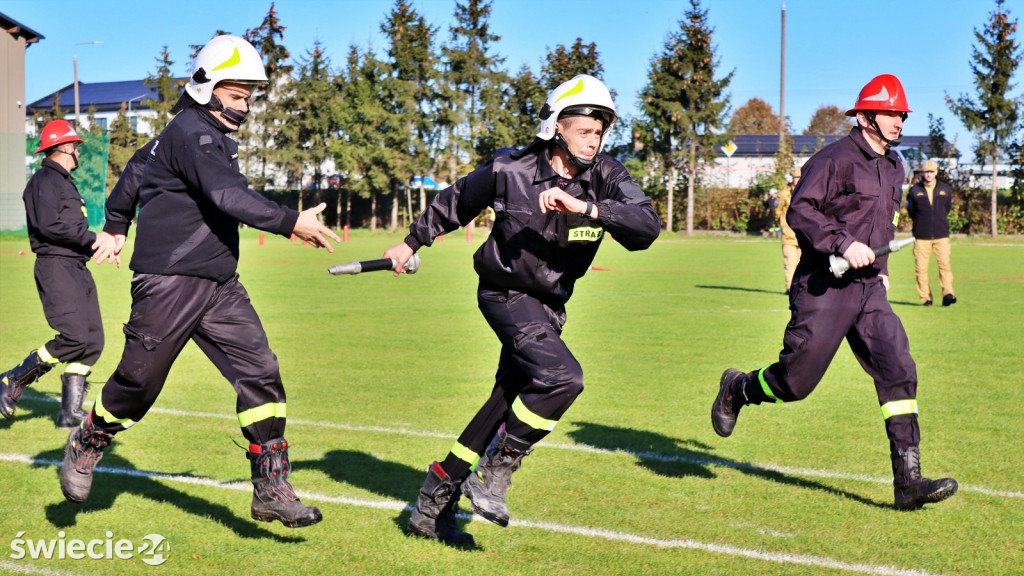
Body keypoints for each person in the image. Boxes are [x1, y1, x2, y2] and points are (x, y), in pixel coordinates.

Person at [58, 35, 341, 529]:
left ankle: (270, 487)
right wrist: (289, 221)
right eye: (238, 95)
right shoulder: (194, 133)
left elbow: (136, 169)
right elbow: (229, 195)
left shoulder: (184, 133)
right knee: (137, 384)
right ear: (208, 88)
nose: (246, 106)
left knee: (261, 375)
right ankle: (90, 437)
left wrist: (118, 224)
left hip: (220, 285)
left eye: (250, 96)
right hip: (169, 281)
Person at [384, 74, 661, 545]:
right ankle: (493, 470)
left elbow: (647, 226)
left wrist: (588, 209)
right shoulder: (508, 168)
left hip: (551, 306)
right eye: (585, 131)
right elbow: (454, 203)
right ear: (557, 127)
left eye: (600, 132)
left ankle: (432, 503)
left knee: (499, 405)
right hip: (504, 294)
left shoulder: (609, 176)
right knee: (562, 378)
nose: (594, 142)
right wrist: (411, 243)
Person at [711, 74, 958, 511]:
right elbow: (800, 210)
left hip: (868, 291)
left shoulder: (895, 165)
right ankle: (739, 388)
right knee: (796, 382)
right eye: (891, 112)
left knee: (899, 366)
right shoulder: (834, 159)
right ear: (865, 117)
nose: (899, 119)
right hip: (823, 286)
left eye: (902, 113)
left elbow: (880, 224)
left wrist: (879, 270)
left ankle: (908, 483)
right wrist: (842, 243)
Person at [1, 119, 106, 429]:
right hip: (55, 266)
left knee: (93, 341)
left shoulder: (64, 182)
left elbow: (70, 227)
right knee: (73, 337)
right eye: (74, 146)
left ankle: (69, 412)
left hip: (76, 267)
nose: (77, 152)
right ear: (61, 147)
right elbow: (50, 226)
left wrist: (95, 246)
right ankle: (12, 379)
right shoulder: (45, 181)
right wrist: (92, 238)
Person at [905, 160, 956, 307]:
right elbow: (911, 212)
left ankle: (948, 294)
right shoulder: (914, 191)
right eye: (926, 172)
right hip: (921, 236)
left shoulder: (945, 189)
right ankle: (926, 298)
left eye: (931, 172)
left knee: (945, 266)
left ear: (936, 172)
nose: (929, 175)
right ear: (922, 173)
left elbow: (947, 208)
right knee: (921, 269)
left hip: (941, 235)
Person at [776, 166, 803, 293]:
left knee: (801, 263)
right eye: (795, 178)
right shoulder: (784, 193)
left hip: (803, 235)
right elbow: (777, 211)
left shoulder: (806, 191)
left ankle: (799, 286)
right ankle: (789, 287)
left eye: (799, 178)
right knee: (790, 262)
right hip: (788, 234)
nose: (797, 180)